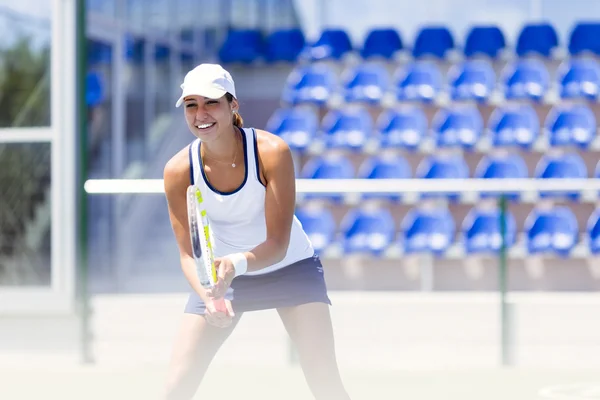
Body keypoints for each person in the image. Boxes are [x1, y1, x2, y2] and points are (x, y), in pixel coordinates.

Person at [162, 63, 351, 400]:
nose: (200, 114)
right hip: (224, 280)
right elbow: (189, 255)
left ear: (233, 105)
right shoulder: (177, 171)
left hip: (291, 269)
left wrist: (232, 265)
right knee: (175, 387)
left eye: (211, 103)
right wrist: (211, 294)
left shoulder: (272, 152)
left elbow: (278, 244)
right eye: (191, 105)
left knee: (325, 383)